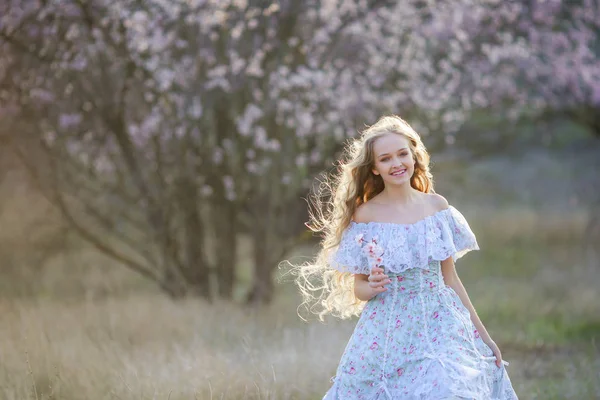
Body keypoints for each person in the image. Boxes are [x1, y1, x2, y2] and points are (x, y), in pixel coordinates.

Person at [294, 116, 519, 399]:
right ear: (374, 168)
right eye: (386, 159)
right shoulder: (366, 216)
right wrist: (372, 286)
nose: (397, 163)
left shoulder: (437, 208)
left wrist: (485, 338)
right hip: (388, 331)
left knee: (446, 388)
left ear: (414, 156)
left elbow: (451, 279)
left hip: (441, 323)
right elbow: (359, 288)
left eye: (402, 154)